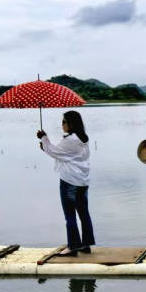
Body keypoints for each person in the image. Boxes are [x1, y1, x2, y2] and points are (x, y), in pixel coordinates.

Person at [37, 110, 94, 257]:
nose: (62, 125)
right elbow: (63, 154)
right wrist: (45, 144)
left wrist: (44, 138)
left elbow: (55, 151)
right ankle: (86, 244)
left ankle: (73, 246)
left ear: (71, 124)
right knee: (83, 213)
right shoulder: (83, 139)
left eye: (64, 122)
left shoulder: (70, 140)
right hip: (82, 182)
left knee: (69, 215)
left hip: (69, 181)